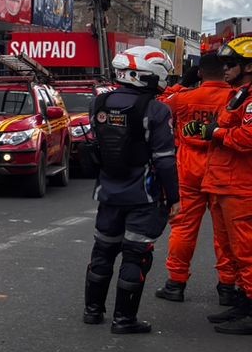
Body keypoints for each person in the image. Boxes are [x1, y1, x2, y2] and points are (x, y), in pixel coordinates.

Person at [83, 45, 179, 334]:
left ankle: (92, 311)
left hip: (108, 192)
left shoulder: (98, 103)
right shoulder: (156, 109)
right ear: (148, 74)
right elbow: (164, 160)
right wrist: (174, 198)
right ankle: (124, 320)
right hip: (143, 195)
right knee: (136, 255)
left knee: (103, 250)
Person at [155, 51, 236, 304]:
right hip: (222, 168)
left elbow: (157, 104)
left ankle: (176, 283)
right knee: (225, 233)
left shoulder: (184, 98)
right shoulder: (234, 99)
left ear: (199, 72)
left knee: (183, 229)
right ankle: (227, 286)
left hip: (189, 170)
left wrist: (182, 83)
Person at [203, 37, 252, 333]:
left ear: (248, 66)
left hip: (240, 187)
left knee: (246, 251)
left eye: (230, 64)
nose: (225, 69)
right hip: (223, 184)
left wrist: (218, 132)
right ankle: (244, 303)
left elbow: (247, 138)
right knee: (231, 250)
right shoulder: (239, 95)